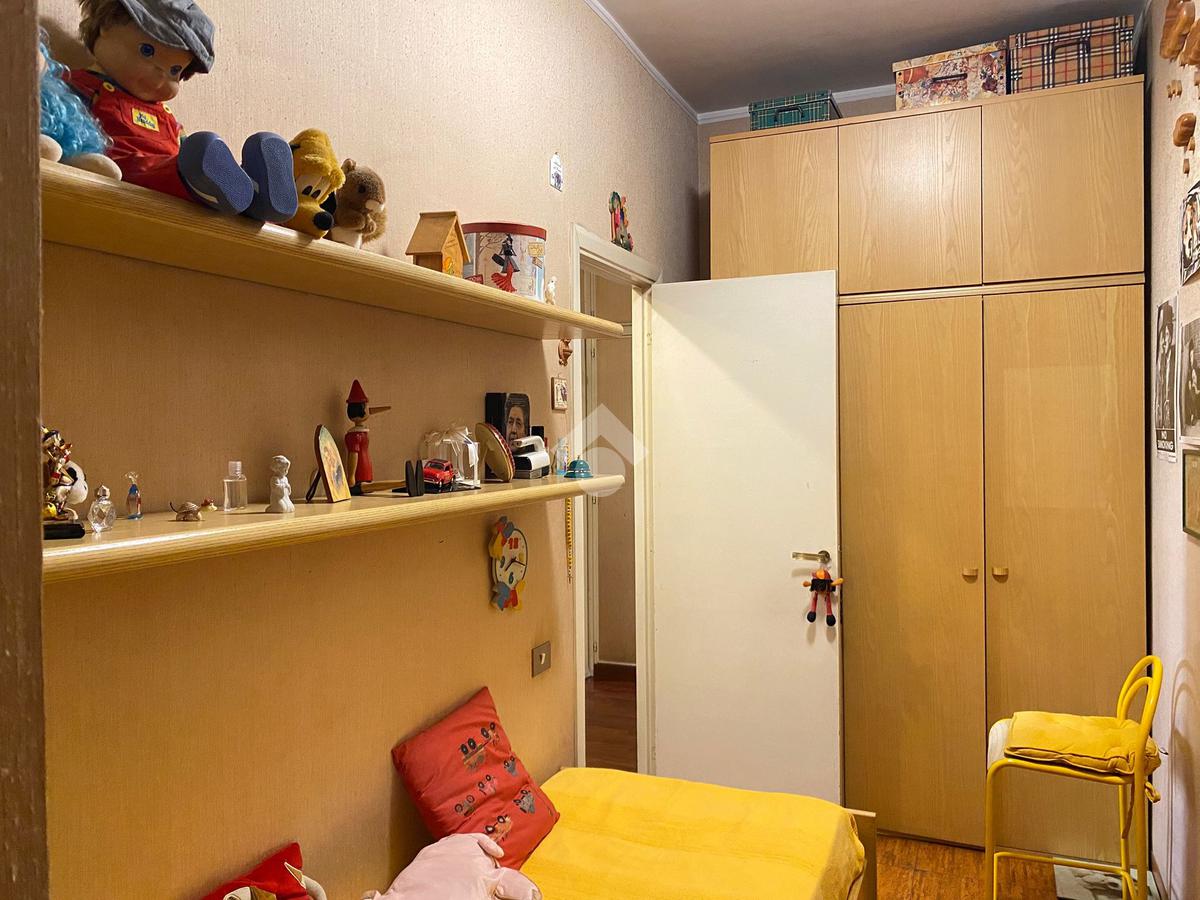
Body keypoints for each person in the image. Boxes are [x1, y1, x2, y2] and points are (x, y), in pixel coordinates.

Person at [69, 0, 296, 222]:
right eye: (147, 51)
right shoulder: (83, 85)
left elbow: (184, 146)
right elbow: (63, 120)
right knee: (193, 163)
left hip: (178, 169)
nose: (160, 77)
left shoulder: (164, 113)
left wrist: (193, 154)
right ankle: (225, 187)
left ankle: (256, 191)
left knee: (200, 161)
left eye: (174, 70)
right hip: (126, 170)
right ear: (106, 26)